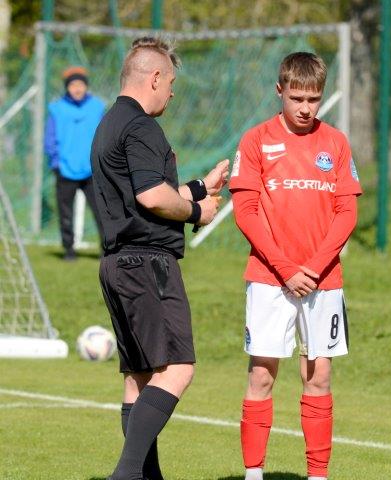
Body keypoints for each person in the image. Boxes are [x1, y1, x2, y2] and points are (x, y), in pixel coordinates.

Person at [90, 37, 229, 480]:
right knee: (177, 369)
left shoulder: (110, 123)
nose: (171, 93)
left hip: (117, 264)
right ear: (154, 78)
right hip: (147, 265)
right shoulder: (142, 127)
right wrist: (197, 212)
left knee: (140, 376)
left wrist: (200, 188)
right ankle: (126, 474)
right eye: (170, 83)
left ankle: (146, 477)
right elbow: (153, 197)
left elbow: (142, 196)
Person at [229, 52, 362, 480]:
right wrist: (286, 268)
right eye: (297, 98)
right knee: (262, 375)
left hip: (324, 281)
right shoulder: (255, 140)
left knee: (318, 375)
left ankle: (317, 476)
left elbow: (347, 213)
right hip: (270, 279)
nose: (306, 108)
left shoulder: (336, 142)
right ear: (280, 91)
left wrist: (315, 267)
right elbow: (246, 211)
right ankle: (254, 474)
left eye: (314, 99)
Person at [44, 66, 105, 260]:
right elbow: (49, 139)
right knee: (65, 213)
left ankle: (106, 249)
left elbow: (105, 135)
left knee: (102, 211)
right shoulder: (56, 109)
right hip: (65, 169)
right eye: (73, 85)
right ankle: (69, 250)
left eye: (80, 84)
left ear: (86, 86)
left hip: (92, 170)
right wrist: (56, 163)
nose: (77, 89)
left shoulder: (97, 107)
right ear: (67, 87)